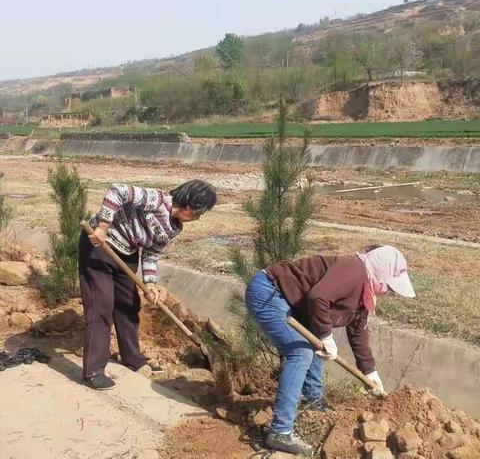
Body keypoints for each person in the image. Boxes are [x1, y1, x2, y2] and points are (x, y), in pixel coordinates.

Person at [245, 245, 415, 456]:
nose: (389, 291)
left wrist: (370, 372)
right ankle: (280, 431)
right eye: (388, 286)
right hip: (269, 292)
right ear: (380, 271)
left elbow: (358, 332)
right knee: (301, 353)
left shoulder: (365, 292)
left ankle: (313, 400)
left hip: (291, 302)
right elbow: (318, 297)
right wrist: (326, 336)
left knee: (315, 346)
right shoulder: (355, 270)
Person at [79, 180, 217, 390]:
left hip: (127, 254)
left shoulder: (175, 227)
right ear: (189, 205)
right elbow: (118, 191)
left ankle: (132, 359)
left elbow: (152, 253)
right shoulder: (157, 200)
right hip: (100, 246)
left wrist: (150, 283)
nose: (197, 218)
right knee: (101, 306)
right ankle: (93, 371)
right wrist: (103, 227)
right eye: (199, 213)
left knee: (129, 304)